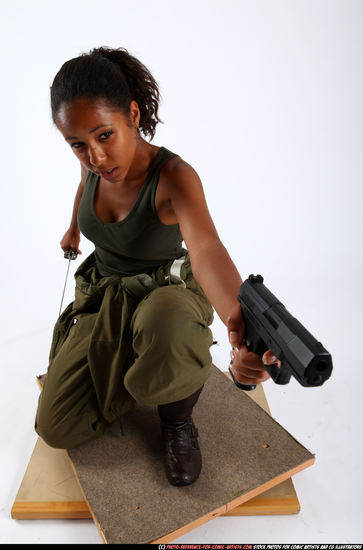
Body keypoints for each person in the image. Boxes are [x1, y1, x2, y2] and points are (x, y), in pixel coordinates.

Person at [35, 46, 275, 487]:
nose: (95, 157)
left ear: (131, 113)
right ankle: (144, 368)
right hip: (107, 298)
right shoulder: (95, 165)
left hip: (168, 298)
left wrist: (242, 329)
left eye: (104, 136)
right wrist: (73, 227)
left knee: (167, 323)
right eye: (78, 145)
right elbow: (83, 181)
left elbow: (207, 251)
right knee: (56, 428)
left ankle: (176, 417)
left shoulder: (174, 176)